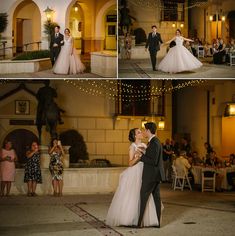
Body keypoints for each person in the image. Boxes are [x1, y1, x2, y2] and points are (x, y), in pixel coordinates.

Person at [106, 128, 162, 227]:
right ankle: (132, 218)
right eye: (139, 132)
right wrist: (138, 157)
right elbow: (130, 163)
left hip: (145, 172)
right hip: (135, 172)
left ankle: (144, 219)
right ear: (135, 136)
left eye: (141, 131)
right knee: (134, 196)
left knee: (145, 196)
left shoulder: (145, 145)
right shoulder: (132, 146)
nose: (141, 133)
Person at [138, 122, 165, 228]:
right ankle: (157, 223)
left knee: (143, 198)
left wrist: (141, 156)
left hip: (151, 176)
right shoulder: (154, 141)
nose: (144, 132)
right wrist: (145, 152)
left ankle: (138, 223)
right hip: (155, 175)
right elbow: (153, 156)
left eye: (144, 130)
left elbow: (153, 161)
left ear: (149, 130)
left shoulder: (154, 142)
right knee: (156, 199)